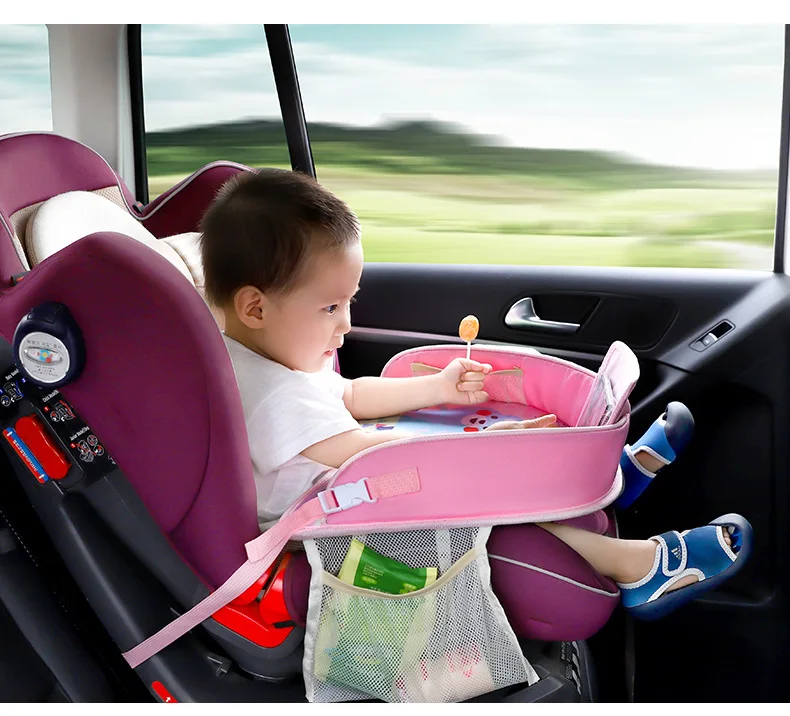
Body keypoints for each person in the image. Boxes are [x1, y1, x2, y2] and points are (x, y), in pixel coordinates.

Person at [200, 168, 751, 622]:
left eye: (349, 302)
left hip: (352, 486)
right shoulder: (268, 394)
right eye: (330, 307)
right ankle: (636, 566)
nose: (345, 324)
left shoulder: (274, 353)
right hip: (334, 527)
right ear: (255, 308)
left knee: (470, 454)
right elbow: (363, 451)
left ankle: (601, 478)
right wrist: (485, 447)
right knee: (475, 489)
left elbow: (347, 395)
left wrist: (437, 387)